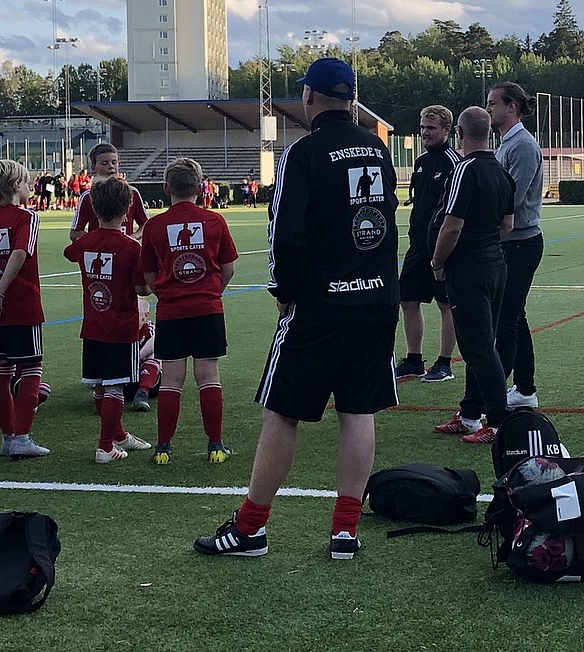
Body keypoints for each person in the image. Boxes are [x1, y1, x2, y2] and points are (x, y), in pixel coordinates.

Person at [194, 57, 398, 560]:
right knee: (358, 411)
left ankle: (250, 528)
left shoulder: (302, 153)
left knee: (282, 412)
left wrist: (284, 290)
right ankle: (345, 530)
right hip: (375, 299)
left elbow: (284, 232)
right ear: (351, 98)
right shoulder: (377, 148)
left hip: (320, 305)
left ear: (308, 96)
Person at [140, 157, 238, 465]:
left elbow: (149, 275)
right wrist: (211, 293)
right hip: (208, 308)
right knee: (208, 376)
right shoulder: (215, 221)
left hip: (171, 312)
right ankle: (216, 446)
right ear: (200, 188)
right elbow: (228, 268)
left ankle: (163, 448)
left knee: (171, 379)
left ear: (166, 188)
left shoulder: (155, 225)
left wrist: (168, 294)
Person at [431, 107, 516, 445]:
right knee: (480, 343)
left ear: (460, 134)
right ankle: (469, 414)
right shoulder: (501, 171)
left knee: (478, 348)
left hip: (469, 269)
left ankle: (498, 421)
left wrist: (437, 262)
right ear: (490, 133)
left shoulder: (464, 170)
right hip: (495, 265)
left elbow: (452, 226)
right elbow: (507, 225)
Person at [64, 176, 153, 463]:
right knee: (115, 385)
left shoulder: (85, 243)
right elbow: (142, 289)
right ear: (127, 210)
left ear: (94, 208)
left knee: (103, 382)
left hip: (92, 325)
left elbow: (69, 252)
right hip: (121, 327)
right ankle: (105, 446)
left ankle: (119, 435)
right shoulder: (131, 247)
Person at [0, 160, 50, 459]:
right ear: (16, 186)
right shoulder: (27, 217)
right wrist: (0, 292)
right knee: (31, 369)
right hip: (22, 305)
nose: (29, 187)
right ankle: (22, 437)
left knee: (1, 372)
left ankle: (7, 436)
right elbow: (20, 252)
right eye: (26, 182)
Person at [487, 81, 545, 409]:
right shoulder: (507, 144)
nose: (488, 109)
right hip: (512, 242)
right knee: (514, 317)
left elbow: (512, 199)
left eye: (493, 103)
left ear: (512, 107)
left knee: (506, 319)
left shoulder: (521, 146)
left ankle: (496, 395)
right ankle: (524, 389)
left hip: (520, 243)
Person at [395, 105, 460, 383]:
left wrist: (444, 249)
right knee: (407, 299)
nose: (425, 132)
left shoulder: (454, 163)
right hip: (418, 245)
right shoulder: (421, 162)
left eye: (431, 128)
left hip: (442, 247)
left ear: (446, 130)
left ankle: (444, 363)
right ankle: (414, 360)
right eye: (422, 127)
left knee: (446, 303)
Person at [69, 144, 149, 242]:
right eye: (104, 163)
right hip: (100, 250)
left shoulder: (132, 192)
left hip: (125, 249)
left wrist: (133, 238)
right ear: (94, 166)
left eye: (114, 162)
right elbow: (75, 232)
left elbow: (146, 224)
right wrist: (96, 241)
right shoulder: (87, 196)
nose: (111, 166)